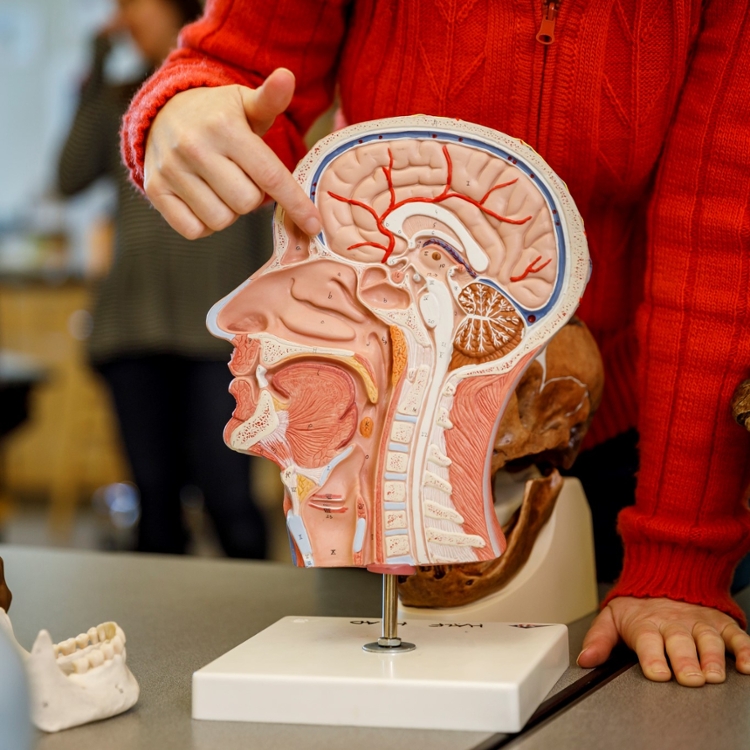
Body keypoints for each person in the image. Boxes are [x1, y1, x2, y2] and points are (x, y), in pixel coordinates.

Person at [120, 0, 750, 685]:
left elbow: (718, 227)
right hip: (372, 435)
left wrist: (679, 553)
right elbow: (241, 69)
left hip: (645, 437)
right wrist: (188, 106)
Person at [58, 0, 268, 559]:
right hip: (132, 329)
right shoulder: (115, 96)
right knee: (155, 503)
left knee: (230, 497)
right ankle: (159, 645)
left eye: (134, 3)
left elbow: (268, 215)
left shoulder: (234, 97)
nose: (124, 16)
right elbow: (68, 176)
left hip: (217, 333)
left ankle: (262, 630)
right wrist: (95, 67)